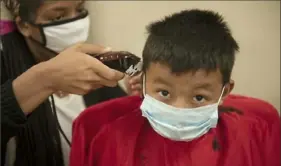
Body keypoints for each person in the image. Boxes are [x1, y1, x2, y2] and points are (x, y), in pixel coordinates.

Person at [70, 9, 281, 166]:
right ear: (143, 82)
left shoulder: (258, 127)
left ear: (225, 91)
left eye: (199, 97)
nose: (180, 109)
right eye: (164, 92)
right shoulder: (98, 131)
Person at [1, 0, 142, 166]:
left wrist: (136, 103)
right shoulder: (7, 71)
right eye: (58, 16)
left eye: (80, 9)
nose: (75, 23)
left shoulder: (97, 68)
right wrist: (44, 80)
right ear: (25, 26)